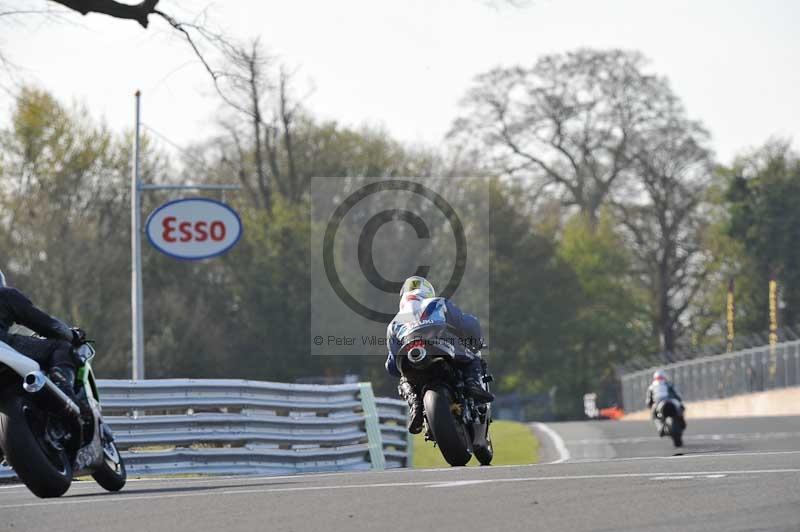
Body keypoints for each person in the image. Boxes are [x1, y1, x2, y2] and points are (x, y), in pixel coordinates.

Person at [385, 276, 493, 434]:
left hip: (409, 355)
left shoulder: (394, 322)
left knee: (404, 379)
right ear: (427, 292)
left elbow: (392, 366)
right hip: (439, 343)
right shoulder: (437, 302)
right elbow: (467, 323)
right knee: (472, 355)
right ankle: (473, 384)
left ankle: (415, 405)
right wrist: (476, 341)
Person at [0, 269, 85, 399]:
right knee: (61, 347)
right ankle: (64, 393)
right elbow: (47, 325)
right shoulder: (6, 295)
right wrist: (73, 335)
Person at [646, 370, 686, 434]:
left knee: (654, 415)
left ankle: (660, 428)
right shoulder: (668, 384)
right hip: (670, 401)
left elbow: (648, 401)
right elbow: (676, 395)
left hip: (658, 403)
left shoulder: (651, 387)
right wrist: (679, 401)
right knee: (681, 408)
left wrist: (650, 405)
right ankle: (681, 421)